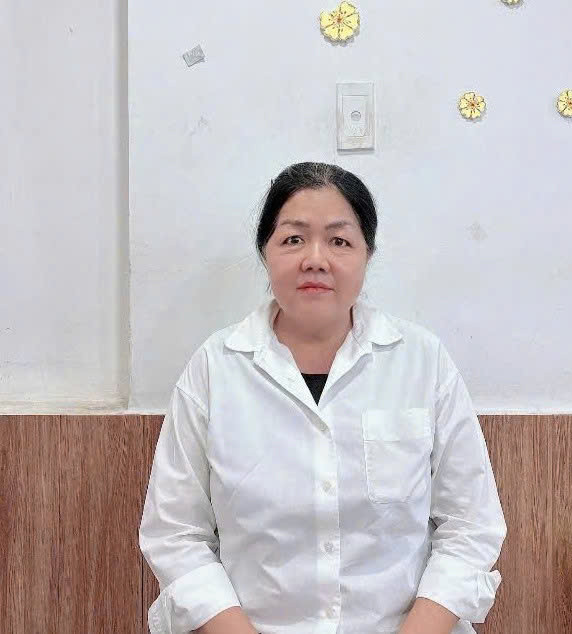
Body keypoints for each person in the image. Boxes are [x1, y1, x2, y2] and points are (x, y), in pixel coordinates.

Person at [138, 161, 507, 634]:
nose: (315, 259)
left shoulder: (422, 362)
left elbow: (470, 527)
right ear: (265, 252)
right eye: (293, 239)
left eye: (339, 241)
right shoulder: (214, 368)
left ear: (367, 254)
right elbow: (176, 534)